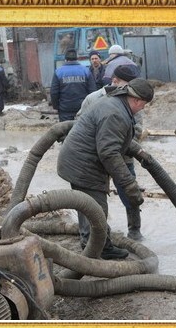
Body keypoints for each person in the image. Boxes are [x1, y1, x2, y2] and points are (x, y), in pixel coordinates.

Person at [57, 78, 155, 260]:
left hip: (80, 161)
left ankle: (96, 244)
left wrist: (139, 152)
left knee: (87, 205)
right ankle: (96, 250)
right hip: (84, 165)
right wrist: (129, 184)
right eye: (144, 105)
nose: (142, 109)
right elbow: (109, 152)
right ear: (137, 100)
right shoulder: (117, 114)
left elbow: (114, 140)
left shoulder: (115, 102)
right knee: (96, 209)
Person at [76, 65, 147, 241]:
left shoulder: (134, 100)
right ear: (115, 81)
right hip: (96, 158)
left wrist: (128, 144)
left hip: (123, 156)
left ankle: (135, 230)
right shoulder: (93, 99)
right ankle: (94, 237)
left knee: (130, 191)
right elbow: (79, 124)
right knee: (91, 197)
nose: (132, 90)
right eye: (128, 85)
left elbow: (137, 129)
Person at [50, 48, 96, 122]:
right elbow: (92, 91)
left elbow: (54, 92)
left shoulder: (58, 72)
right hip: (83, 108)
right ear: (77, 58)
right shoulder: (86, 71)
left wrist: (56, 107)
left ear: (65, 59)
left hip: (65, 109)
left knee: (66, 131)